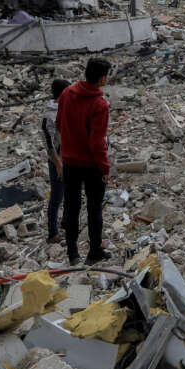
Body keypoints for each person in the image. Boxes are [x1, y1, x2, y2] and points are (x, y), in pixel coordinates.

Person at [55, 58, 112, 265]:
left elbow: (59, 123)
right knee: (94, 209)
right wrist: (105, 167)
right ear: (101, 77)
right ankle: (94, 251)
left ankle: (72, 254)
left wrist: (71, 144)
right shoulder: (99, 104)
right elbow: (97, 142)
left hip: (70, 162)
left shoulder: (67, 93)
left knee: (72, 207)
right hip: (91, 165)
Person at [40, 78, 70, 244]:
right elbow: (49, 144)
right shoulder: (49, 115)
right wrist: (58, 164)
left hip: (69, 155)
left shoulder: (66, 108)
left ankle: (66, 222)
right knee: (57, 196)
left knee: (70, 191)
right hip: (57, 159)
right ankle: (52, 232)